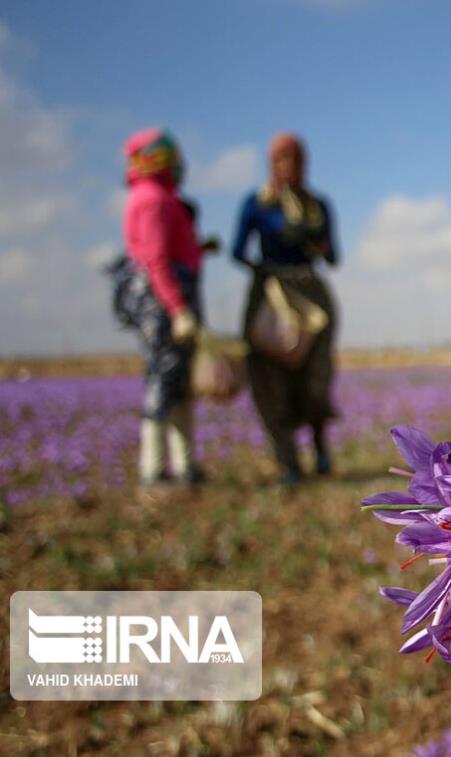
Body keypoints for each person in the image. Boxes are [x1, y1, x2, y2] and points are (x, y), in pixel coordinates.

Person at [232, 133, 339, 485]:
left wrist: (315, 241)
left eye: (295, 158)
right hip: (272, 297)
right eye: (280, 159)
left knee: (315, 378)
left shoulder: (318, 205)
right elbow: (237, 251)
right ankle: (288, 461)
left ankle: (321, 448)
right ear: (271, 164)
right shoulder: (258, 204)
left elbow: (333, 256)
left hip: (311, 297)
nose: (289, 166)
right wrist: (264, 270)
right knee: (269, 378)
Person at [119, 128, 207, 488]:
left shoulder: (161, 197)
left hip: (170, 299)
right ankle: (154, 470)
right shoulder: (153, 199)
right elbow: (156, 260)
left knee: (179, 384)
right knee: (162, 383)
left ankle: (184, 467)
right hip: (164, 303)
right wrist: (177, 309)